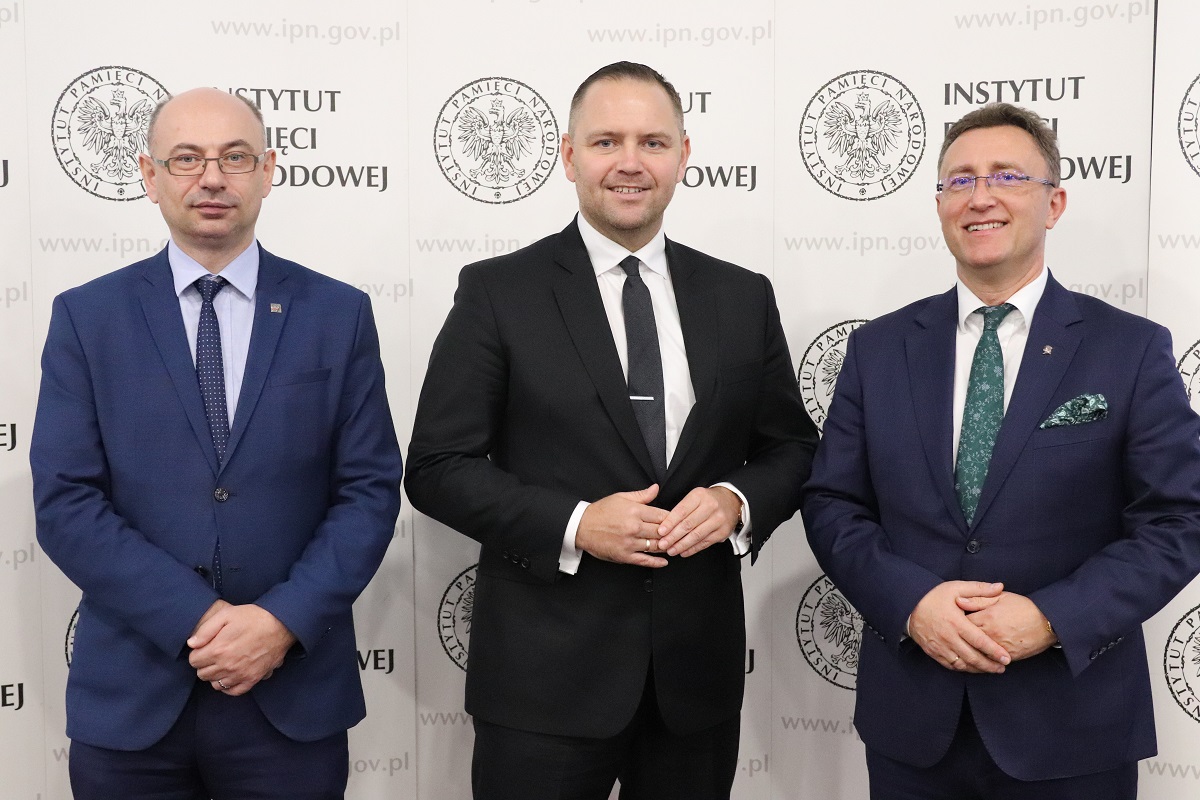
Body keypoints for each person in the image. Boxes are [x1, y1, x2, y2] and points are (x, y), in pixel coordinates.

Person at [405, 61, 817, 799]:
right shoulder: (498, 291)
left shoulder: (741, 296)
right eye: (606, 142)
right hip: (542, 686)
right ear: (569, 156)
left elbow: (791, 448)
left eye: (653, 142)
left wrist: (735, 502)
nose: (631, 162)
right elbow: (437, 466)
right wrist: (575, 524)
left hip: (695, 684)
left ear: (684, 156)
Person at [802, 102, 1200, 799]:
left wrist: (1052, 619)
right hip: (913, 729)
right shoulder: (877, 349)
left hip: (1072, 728)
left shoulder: (1130, 350)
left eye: (1007, 176)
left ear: (1055, 203)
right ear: (940, 205)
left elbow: (1179, 519)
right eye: (959, 180)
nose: (980, 196)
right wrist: (911, 603)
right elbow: (833, 503)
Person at [30, 87, 403, 799]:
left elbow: (369, 491)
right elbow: (66, 503)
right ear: (150, 176)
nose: (211, 177)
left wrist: (279, 623)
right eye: (186, 159)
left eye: (234, 157)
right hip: (133, 700)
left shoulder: (338, 313)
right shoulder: (87, 317)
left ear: (267, 171)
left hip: (290, 696)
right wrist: (199, 619)